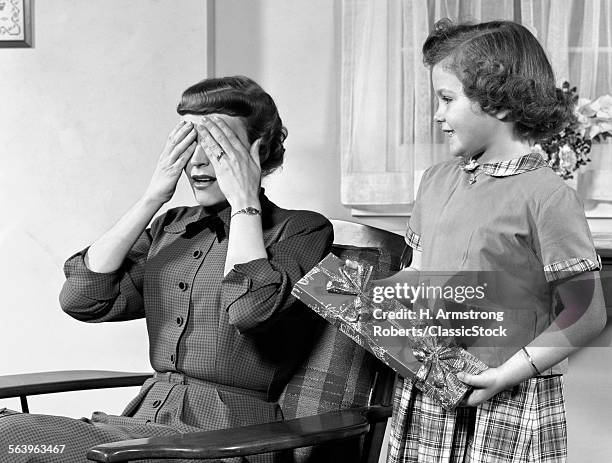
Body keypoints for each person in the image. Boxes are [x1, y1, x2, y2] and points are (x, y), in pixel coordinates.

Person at [0, 76, 333, 463]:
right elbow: (81, 299)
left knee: (11, 441)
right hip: (140, 428)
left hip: (228, 439)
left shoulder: (302, 229)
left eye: (218, 145)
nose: (199, 160)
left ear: (260, 150)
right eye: (190, 142)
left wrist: (244, 200)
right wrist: (152, 197)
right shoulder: (170, 227)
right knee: (11, 437)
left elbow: (249, 310)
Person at [388, 20, 607, 463]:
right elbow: (419, 272)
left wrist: (505, 376)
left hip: (507, 396)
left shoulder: (547, 196)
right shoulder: (434, 181)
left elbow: (587, 312)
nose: (437, 114)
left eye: (447, 99)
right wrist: (377, 301)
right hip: (430, 381)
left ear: (502, 104)